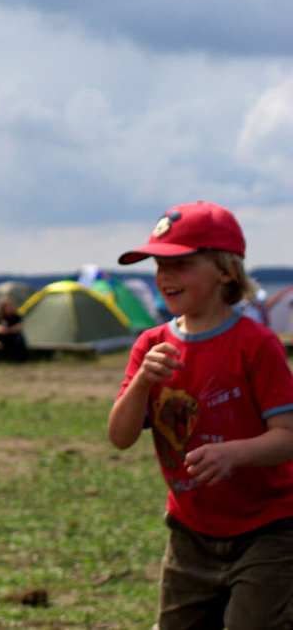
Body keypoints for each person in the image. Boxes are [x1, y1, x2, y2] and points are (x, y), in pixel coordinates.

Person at [107, 201, 293, 629]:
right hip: (190, 533)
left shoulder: (256, 344)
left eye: (181, 264)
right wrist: (140, 384)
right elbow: (119, 437)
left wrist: (233, 454)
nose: (165, 277)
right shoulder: (150, 345)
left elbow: (287, 436)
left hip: (267, 531)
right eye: (159, 265)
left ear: (226, 271)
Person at [0, 296, 27, 363]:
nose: (8, 308)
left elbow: (19, 326)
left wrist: (9, 330)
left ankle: (18, 358)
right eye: (6, 306)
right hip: (1, 336)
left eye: (9, 306)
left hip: (11, 336)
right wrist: (1, 330)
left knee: (19, 337)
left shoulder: (15, 316)